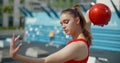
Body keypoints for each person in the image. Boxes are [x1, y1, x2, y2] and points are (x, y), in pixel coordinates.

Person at [9, 5, 92, 63]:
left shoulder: (77, 46)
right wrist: (102, 18)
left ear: (77, 20)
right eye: (61, 24)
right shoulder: (85, 36)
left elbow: (45, 61)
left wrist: (16, 56)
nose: (63, 26)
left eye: (66, 22)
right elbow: (89, 14)